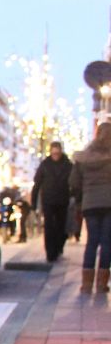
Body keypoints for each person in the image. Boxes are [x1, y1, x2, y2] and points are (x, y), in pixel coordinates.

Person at [73, 122, 111, 294]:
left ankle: (86, 284)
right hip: (109, 204)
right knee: (107, 242)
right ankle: (102, 284)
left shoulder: (85, 157)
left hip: (90, 204)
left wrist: (82, 196)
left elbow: (73, 182)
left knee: (92, 242)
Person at [33, 140, 75, 262]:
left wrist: (73, 195)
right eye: (54, 153)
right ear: (51, 152)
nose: (56, 155)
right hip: (48, 200)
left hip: (63, 199)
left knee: (61, 226)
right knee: (49, 227)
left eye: (57, 152)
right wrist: (33, 202)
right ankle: (50, 253)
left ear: (61, 151)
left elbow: (74, 182)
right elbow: (37, 183)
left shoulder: (68, 165)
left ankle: (58, 248)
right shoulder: (45, 165)